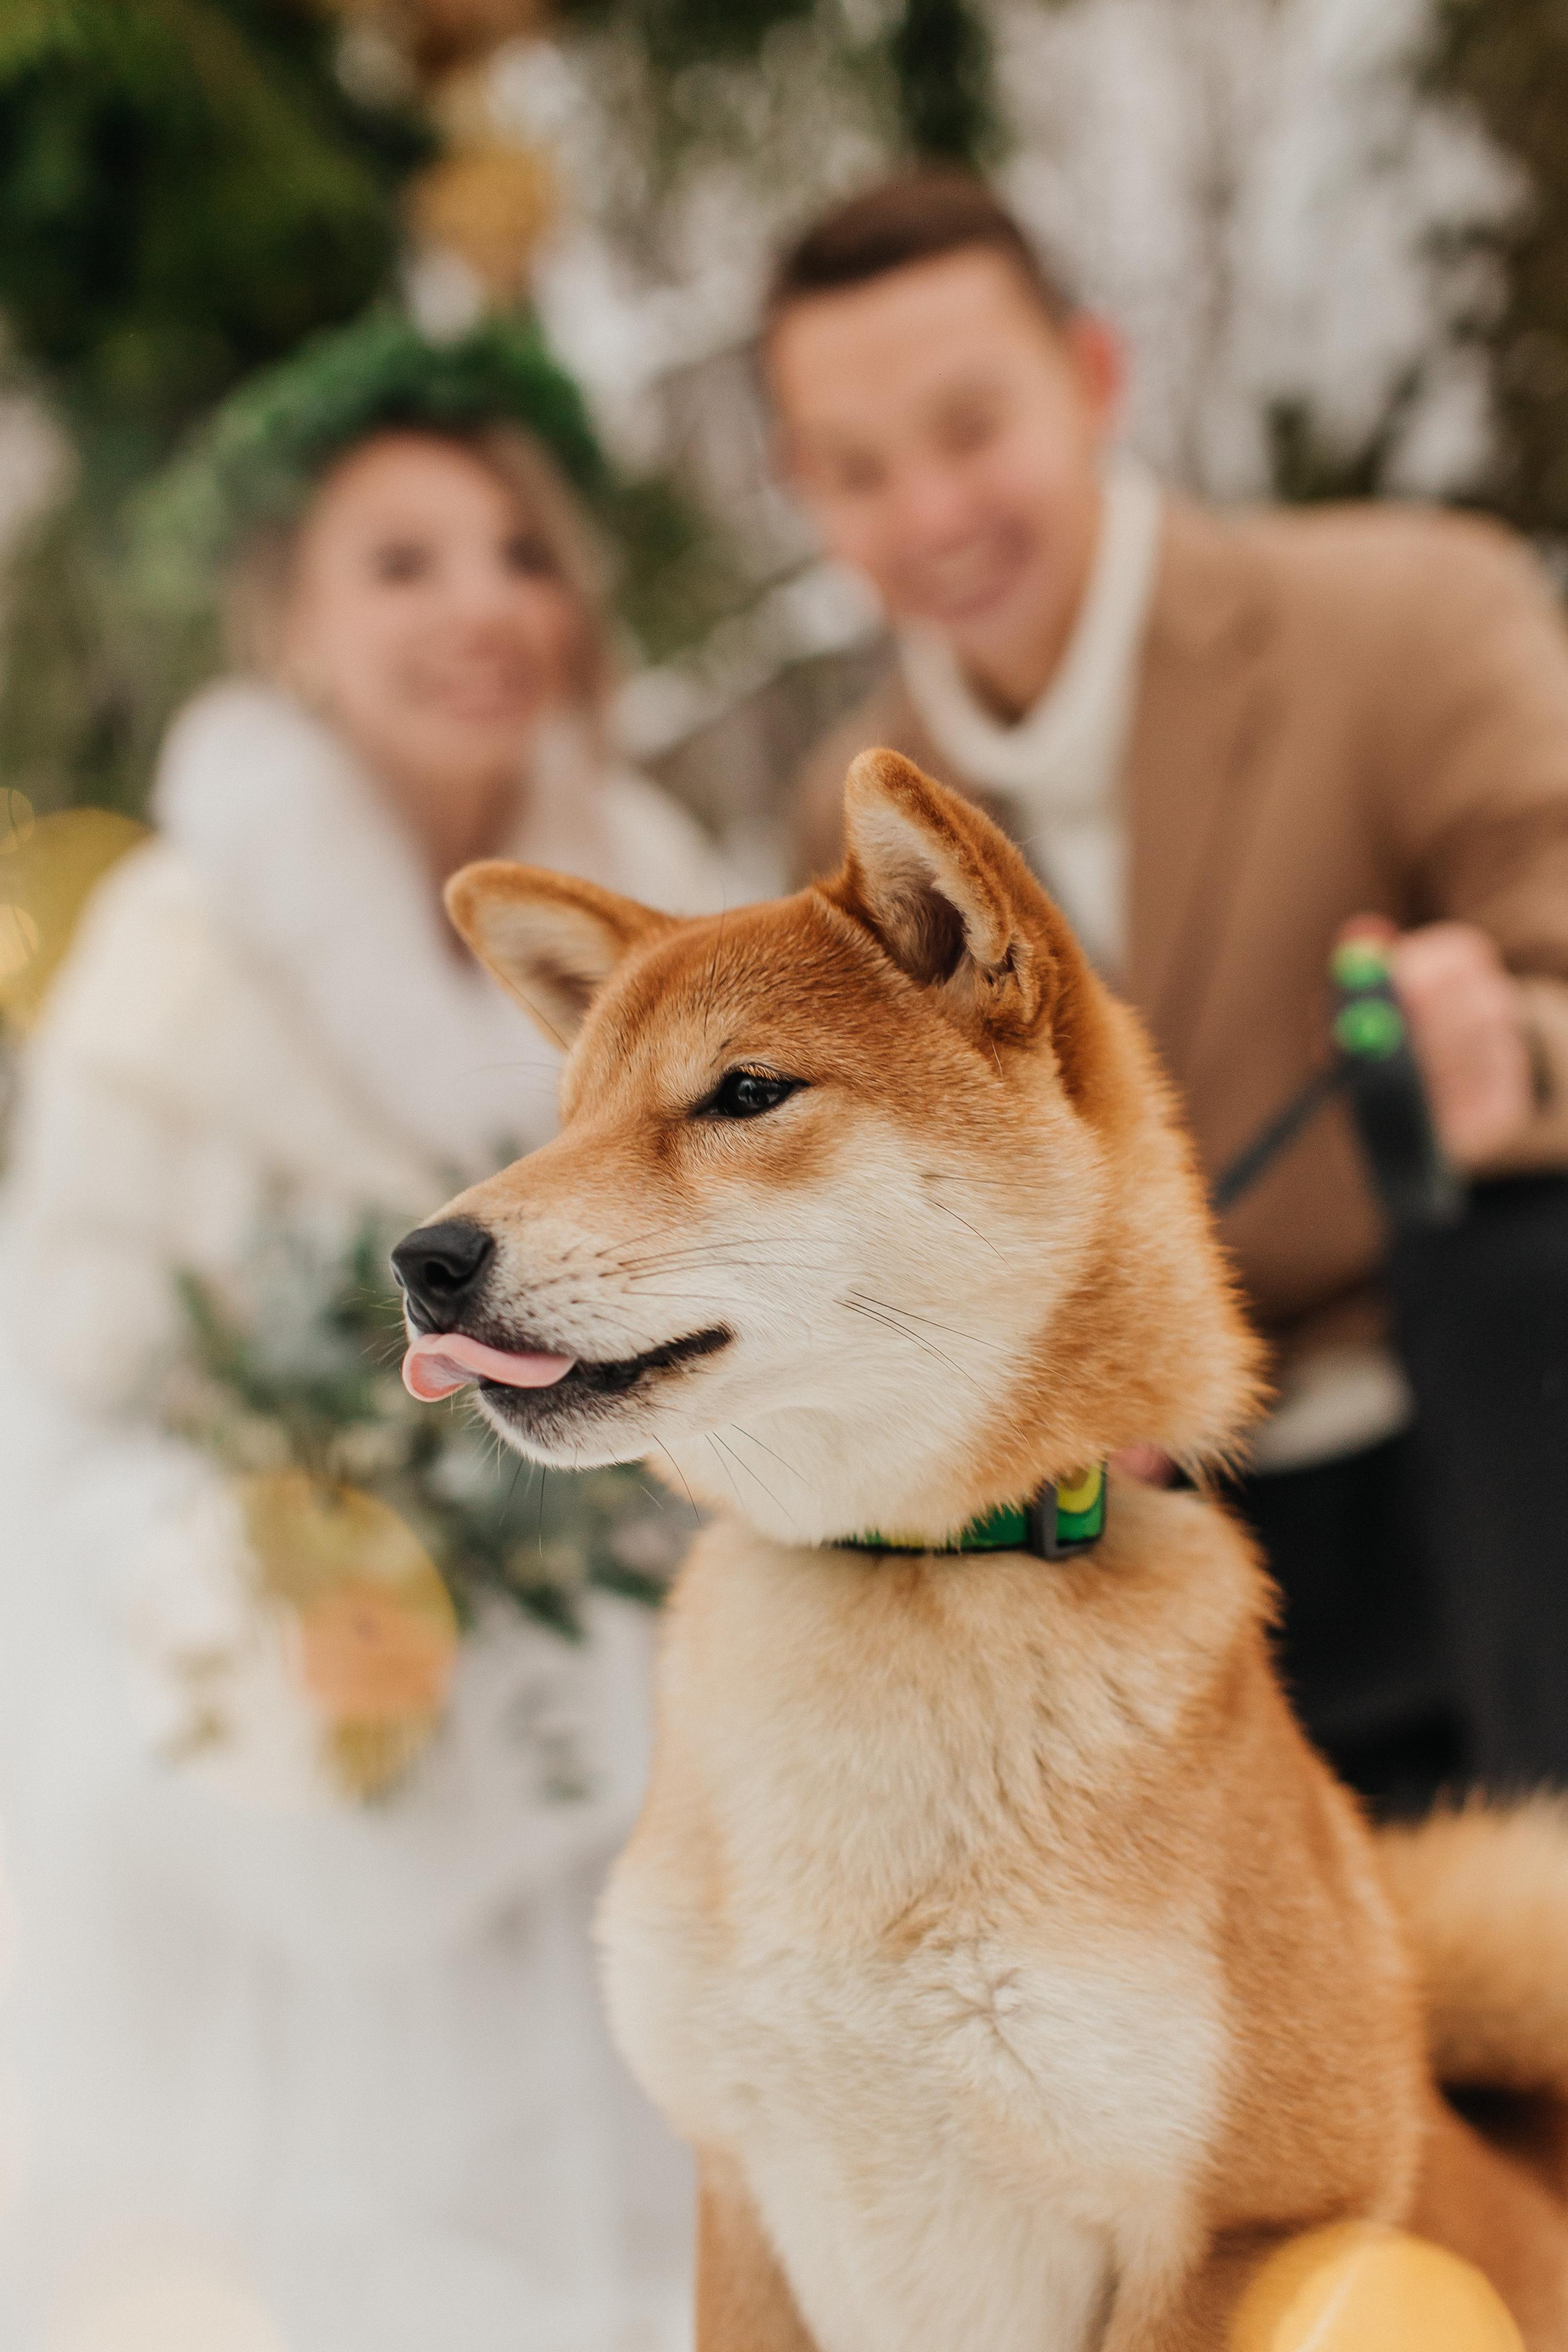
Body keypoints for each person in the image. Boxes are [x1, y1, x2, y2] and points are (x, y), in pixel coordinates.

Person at [0, 313, 738, 2352]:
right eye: (401, 561)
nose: (481, 606)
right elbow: (74, 1409)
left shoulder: (677, 909)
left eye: (516, 551)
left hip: (653, 1755)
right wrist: (270, 1582)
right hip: (323, 1819)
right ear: (295, 627)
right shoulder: (173, 965)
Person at [767, 171, 1568, 1814]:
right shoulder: (829, 830)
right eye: (857, 471)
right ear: (805, 494)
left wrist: (1510, 1061)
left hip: (1481, 1467)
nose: (927, 516)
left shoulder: (1412, 619)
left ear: (1094, 382)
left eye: (970, 427)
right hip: (1147, 1571)